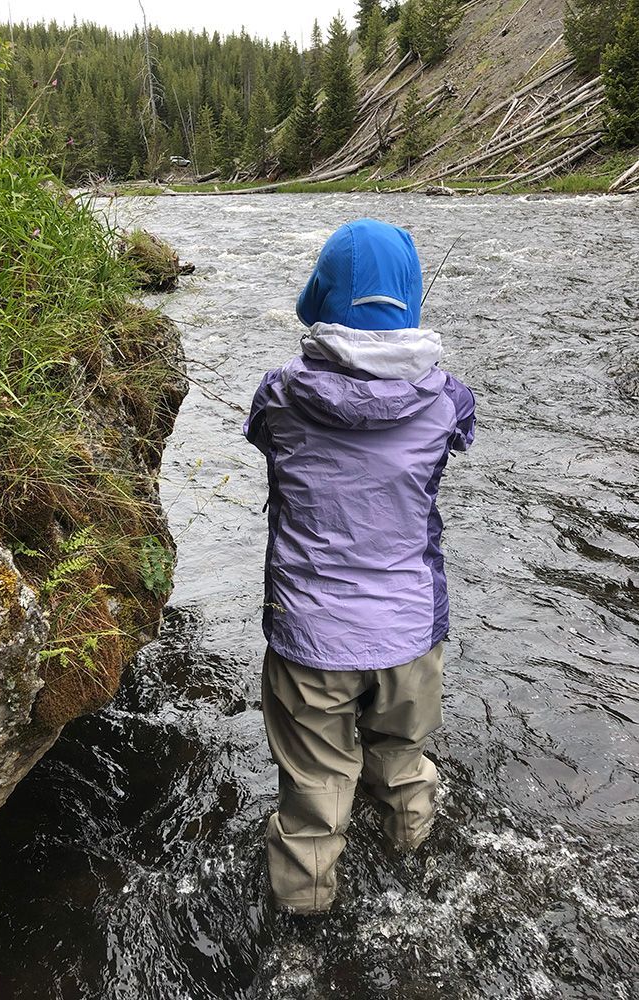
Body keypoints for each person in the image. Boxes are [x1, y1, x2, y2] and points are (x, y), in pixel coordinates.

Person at [243, 218, 476, 916]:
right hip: (410, 631)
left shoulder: (280, 396)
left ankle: (304, 926)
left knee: (315, 791)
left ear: (322, 292)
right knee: (402, 761)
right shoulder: (448, 399)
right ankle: (418, 872)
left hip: (310, 637)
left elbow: (266, 434)